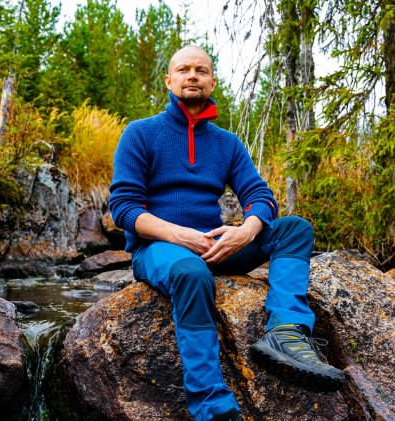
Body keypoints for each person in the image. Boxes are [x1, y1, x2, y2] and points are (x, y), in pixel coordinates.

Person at [108, 45, 345, 421]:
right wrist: (179, 235)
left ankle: (285, 332)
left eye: (201, 70)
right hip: (160, 249)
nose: (192, 76)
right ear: (169, 80)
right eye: (183, 69)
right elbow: (123, 208)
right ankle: (213, 408)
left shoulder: (227, 143)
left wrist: (247, 230)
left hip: (216, 247)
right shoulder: (141, 134)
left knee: (294, 229)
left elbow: (260, 195)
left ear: (212, 81)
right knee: (190, 271)